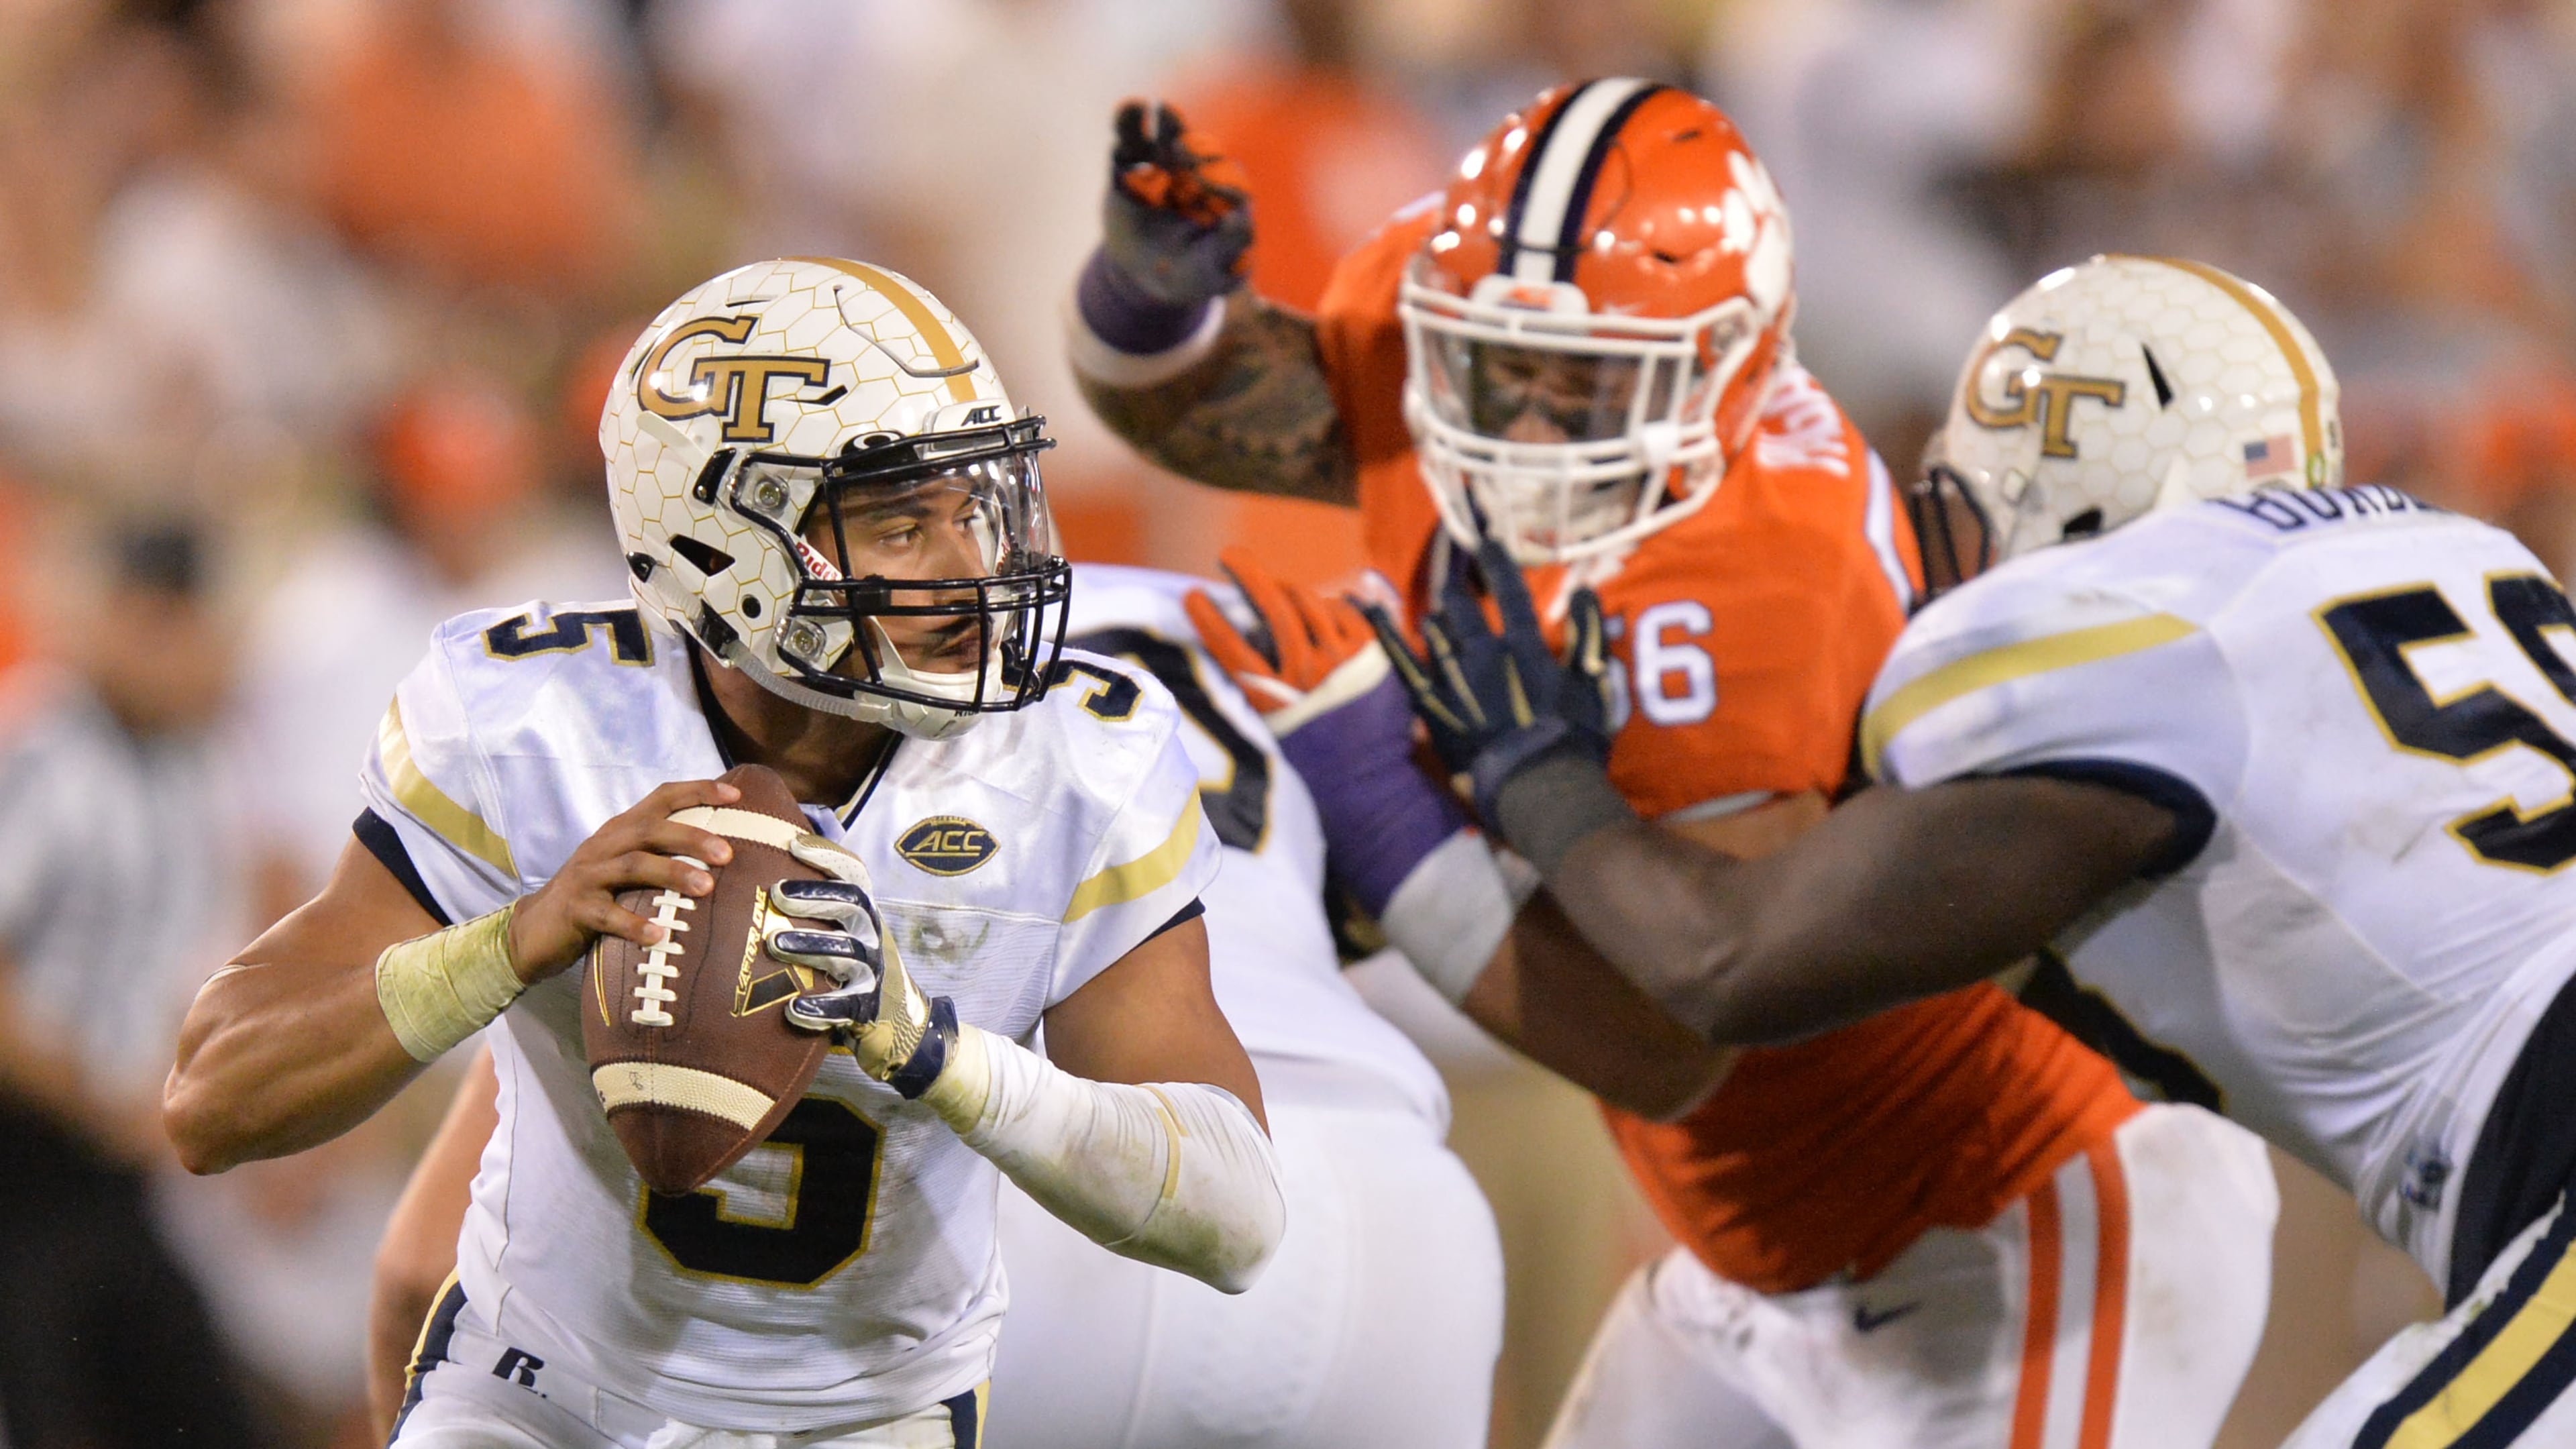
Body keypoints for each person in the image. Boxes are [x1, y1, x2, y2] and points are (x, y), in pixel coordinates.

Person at [1070, 88, 2277, 1446]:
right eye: (1498, 369)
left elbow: (1673, 1036)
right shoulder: (1453, 325)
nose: (1523, 431)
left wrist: (1381, 805)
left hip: (2010, 1214)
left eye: (1585, 389)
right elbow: (1220, 412)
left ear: (1731, 370)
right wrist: (1148, 308)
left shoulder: (1762, 577)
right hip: (1765, 1258)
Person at [1388, 252, 2576, 1448]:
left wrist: (1537, 779)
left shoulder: (2140, 648)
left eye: (1957, 509)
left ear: (2058, 492)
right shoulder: (2462, 563)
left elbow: (1724, 963)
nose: (1935, 554)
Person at [164, 256, 1286, 1448]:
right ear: (719, 550)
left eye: (977, 507)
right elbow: (213, 1099)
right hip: (538, 1394)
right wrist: (511, 943)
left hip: (868, 1422)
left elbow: (1236, 1215)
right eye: (902, 525)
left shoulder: (1070, 759)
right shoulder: (534, 722)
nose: (969, 571)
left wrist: (938, 1058)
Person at [366, 560, 1508, 1448]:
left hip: (1055, 1214)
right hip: (1386, 1206)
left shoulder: (723, 717)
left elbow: (428, 1267)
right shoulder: (1282, 643)